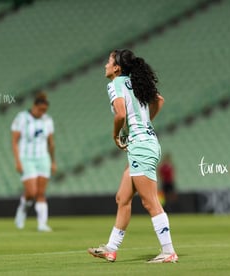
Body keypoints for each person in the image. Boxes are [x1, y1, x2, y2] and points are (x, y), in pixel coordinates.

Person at [87, 49, 178, 263]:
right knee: (123, 197)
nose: (105, 65)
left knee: (150, 202)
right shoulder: (134, 83)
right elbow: (159, 100)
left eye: (108, 61)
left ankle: (168, 251)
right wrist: (145, 124)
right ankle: (111, 248)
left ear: (117, 67)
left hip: (141, 146)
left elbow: (120, 113)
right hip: (146, 143)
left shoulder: (116, 84)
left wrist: (116, 135)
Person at [11, 91, 56, 232]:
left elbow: (51, 143)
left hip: (43, 158)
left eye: (45, 110)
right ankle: (22, 209)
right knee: (31, 191)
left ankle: (42, 224)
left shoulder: (47, 120)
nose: (42, 112)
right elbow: (14, 141)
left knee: (41, 192)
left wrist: (53, 161)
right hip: (26, 158)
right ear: (34, 106)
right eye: (40, 109)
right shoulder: (22, 118)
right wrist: (18, 161)